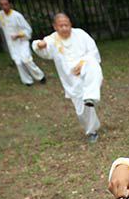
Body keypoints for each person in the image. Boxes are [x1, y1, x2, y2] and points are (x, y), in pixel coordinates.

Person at [33, 13, 103, 143]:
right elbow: (41, 47)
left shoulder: (80, 34)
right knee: (81, 109)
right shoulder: (52, 39)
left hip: (86, 69)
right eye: (61, 25)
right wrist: (39, 45)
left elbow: (93, 52)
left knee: (92, 64)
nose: (65, 28)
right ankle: (90, 126)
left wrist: (82, 63)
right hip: (71, 79)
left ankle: (91, 98)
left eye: (67, 24)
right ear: (55, 26)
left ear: (70, 24)